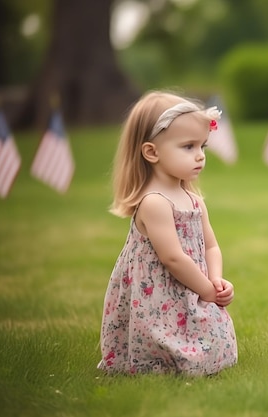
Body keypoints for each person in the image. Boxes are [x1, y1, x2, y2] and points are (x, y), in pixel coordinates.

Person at [98, 90, 237, 376]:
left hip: (192, 287)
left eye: (203, 147)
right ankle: (158, 358)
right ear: (152, 152)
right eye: (188, 147)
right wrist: (206, 291)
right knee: (170, 354)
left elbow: (211, 246)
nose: (200, 156)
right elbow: (173, 258)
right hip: (158, 299)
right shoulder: (155, 202)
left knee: (219, 343)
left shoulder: (193, 198)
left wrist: (217, 281)